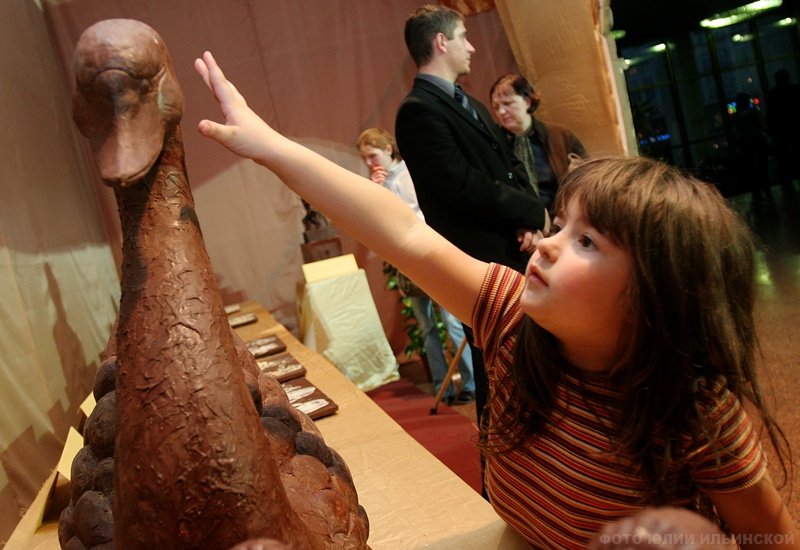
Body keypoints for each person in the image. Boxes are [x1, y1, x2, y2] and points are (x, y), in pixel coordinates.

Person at [194, 51, 797, 549]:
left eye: (586, 240)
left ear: (658, 297)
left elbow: (770, 536)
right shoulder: (509, 313)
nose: (549, 246)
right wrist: (269, 145)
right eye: (558, 225)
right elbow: (403, 232)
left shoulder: (692, 406)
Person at [395, 4, 549, 426]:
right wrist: (532, 210)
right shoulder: (418, 111)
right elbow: (462, 187)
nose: (473, 46)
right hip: (481, 264)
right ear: (441, 43)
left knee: (530, 378)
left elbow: (506, 170)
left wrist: (530, 223)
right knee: (499, 385)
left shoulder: (473, 105)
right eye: (464, 36)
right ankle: (496, 483)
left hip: (513, 250)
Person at [356, 127, 475, 405]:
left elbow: (426, 212)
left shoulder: (412, 172)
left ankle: (470, 383)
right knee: (427, 327)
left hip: (430, 253)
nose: (370, 162)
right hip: (404, 260)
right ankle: (441, 387)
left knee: (452, 322)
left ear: (387, 149)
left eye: (372, 155)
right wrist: (376, 191)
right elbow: (376, 222)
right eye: (364, 158)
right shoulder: (375, 185)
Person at [490, 73, 588, 212]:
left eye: (507, 103)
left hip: (563, 214)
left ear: (527, 101)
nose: (501, 111)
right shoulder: (494, 141)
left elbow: (588, 173)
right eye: (496, 107)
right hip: (520, 221)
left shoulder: (559, 134)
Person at [767, 69, 800, 185]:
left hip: (782, 130)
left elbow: (771, 115)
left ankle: (788, 180)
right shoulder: (795, 90)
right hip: (795, 127)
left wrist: (772, 131)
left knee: (785, 157)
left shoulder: (774, 94)